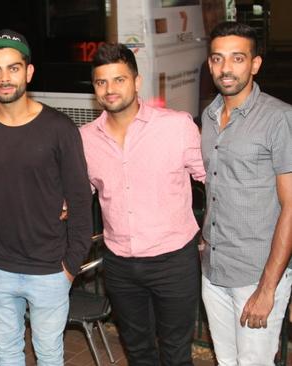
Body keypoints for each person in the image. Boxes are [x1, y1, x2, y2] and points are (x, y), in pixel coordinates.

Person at [0, 29, 92, 365]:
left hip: (50, 270)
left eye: (13, 68)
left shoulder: (60, 128)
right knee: (6, 355)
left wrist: (71, 264)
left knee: (49, 355)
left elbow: (78, 198)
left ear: (28, 72)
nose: (4, 78)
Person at [79, 43, 206, 365]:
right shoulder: (85, 138)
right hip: (120, 264)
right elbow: (79, 196)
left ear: (136, 82)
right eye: (101, 82)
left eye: (119, 79)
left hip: (174, 262)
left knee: (177, 353)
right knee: (138, 352)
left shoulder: (176, 126)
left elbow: (212, 180)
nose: (110, 89)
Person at [200, 21, 292, 365]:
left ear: (254, 64)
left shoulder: (279, 118)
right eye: (218, 59)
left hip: (256, 275)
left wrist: (268, 288)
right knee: (226, 361)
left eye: (237, 58)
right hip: (214, 270)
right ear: (210, 64)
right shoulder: (208, 117)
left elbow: (291, 207)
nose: (226, 68)